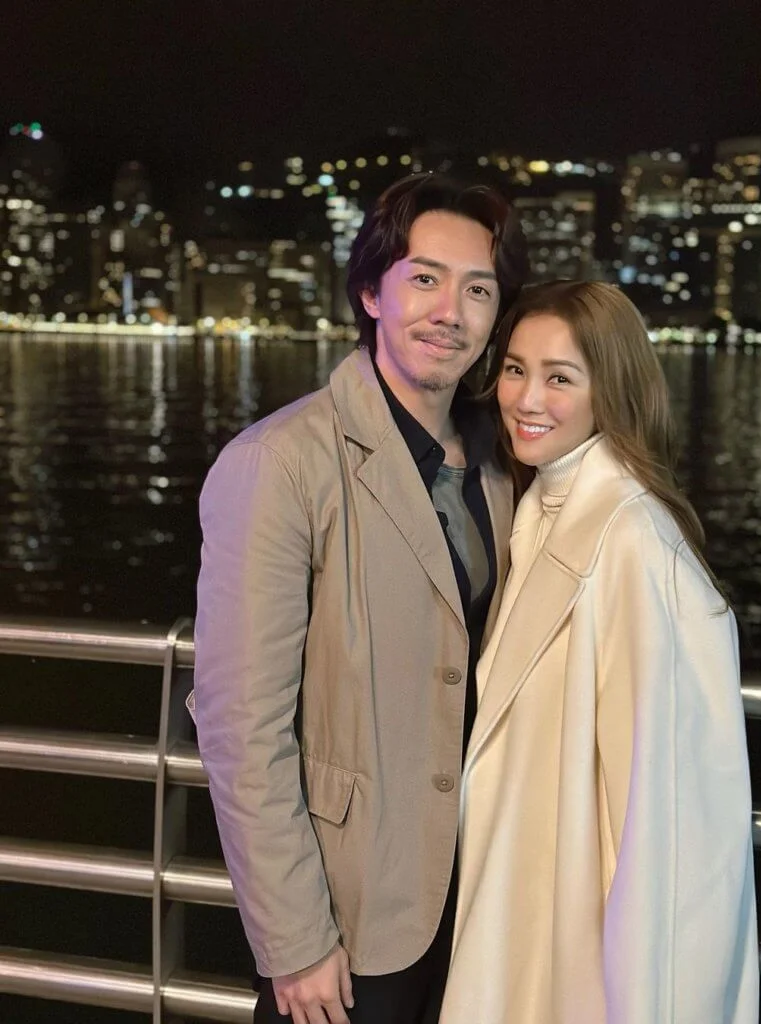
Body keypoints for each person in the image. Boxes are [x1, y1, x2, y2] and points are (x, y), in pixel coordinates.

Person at [193, 172, 529, 1024]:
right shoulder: (279, 462)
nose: (449, 311)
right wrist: (294, 939)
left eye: (477, 289)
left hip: (476, 901)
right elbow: (240, 725)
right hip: (350, 911)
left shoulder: (497, 467)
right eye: (425, 278)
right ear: (371, 293)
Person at [440, 281, 759, 1024]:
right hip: (527, 913)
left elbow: (670, 815)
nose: (525, 399)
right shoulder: (540, 509)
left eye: (559, 378)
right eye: (514, 369)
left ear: (609, 391)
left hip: (583, 946)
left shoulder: (633, 541)